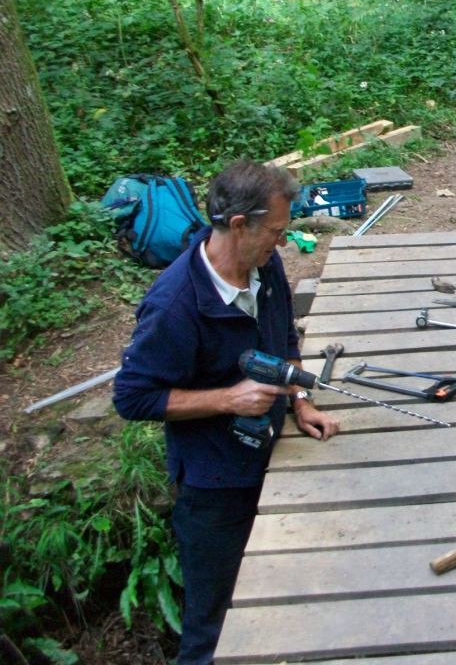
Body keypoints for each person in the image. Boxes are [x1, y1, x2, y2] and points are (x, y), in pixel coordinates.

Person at [113, 160, 339, 665]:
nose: (282, 244)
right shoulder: (175, 304)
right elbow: (131, 398)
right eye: (276, 232)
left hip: (273, 459)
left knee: (288, 599)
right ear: (239, 225)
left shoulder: (264, 266)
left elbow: (282, 339)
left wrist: (300, 399)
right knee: (212, 626)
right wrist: (227, 399)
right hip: (214, 486)